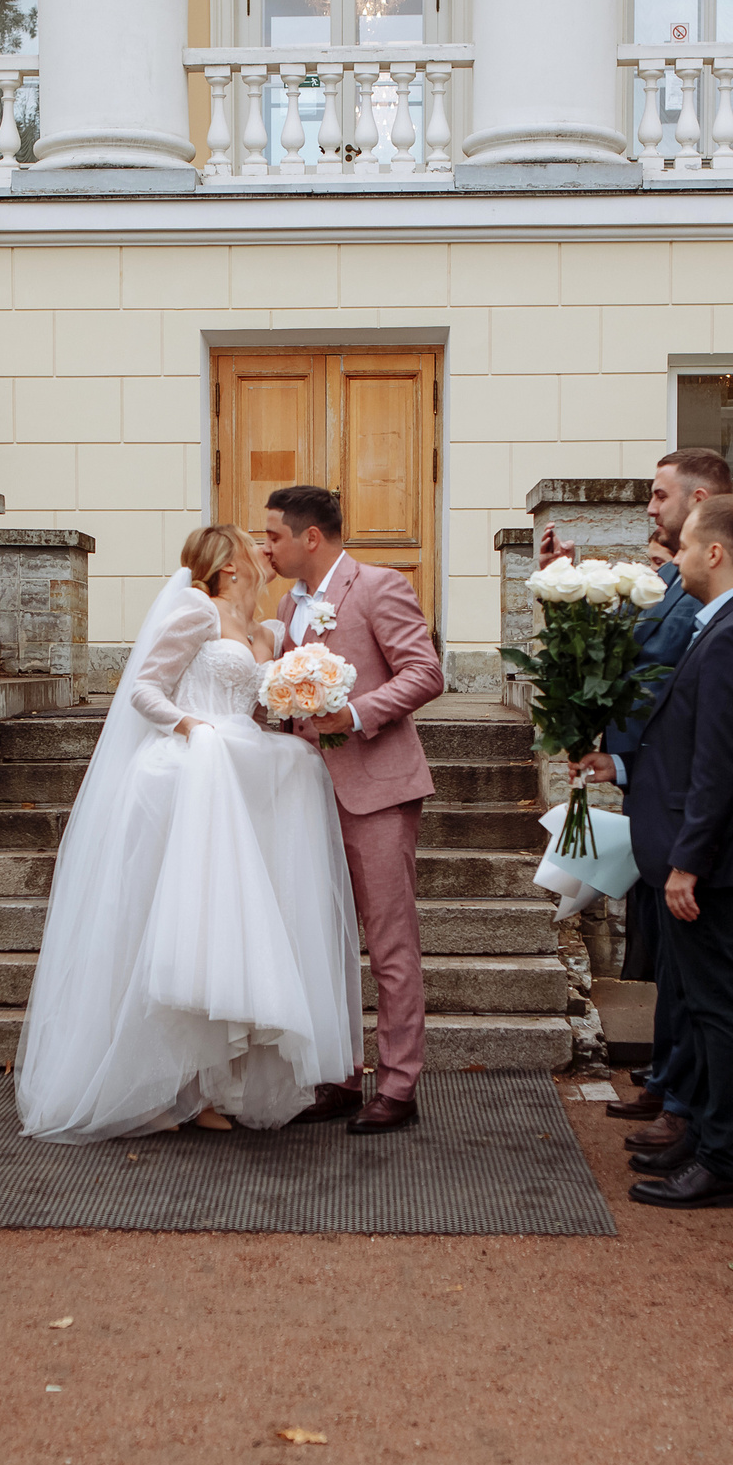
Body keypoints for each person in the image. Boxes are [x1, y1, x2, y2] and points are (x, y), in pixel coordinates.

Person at [14, 525, 363, 1141]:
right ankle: (146, 1088)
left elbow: (263, 709)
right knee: (168, 929)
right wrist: (192, 729)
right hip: (184, 778)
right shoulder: (195, 613)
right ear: (227, 565)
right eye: (254, 544)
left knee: (223, 936)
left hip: (241, 783)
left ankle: (207, 1086)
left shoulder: (270, 632)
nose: (266, 550)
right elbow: (143, 690)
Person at [575, 494, 733, 1209]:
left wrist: (689, 860)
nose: (675, 559)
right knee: (695, 998)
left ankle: (722, 1158)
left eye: (686, 547)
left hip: (704, 859)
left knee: (717, 1009)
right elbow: (682, 742)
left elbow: (719, 763)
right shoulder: (716, 626)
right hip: (685, 845)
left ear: (715, 553)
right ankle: (703, 1136)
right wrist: (620, 768)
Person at [546, 449, 733, 1142]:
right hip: (651, 794)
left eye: (661, 496)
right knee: (665, 958)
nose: (650, 509)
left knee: (698, 978)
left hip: (681, 803)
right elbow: (625, 654)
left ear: (700, 504)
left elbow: (694, 723)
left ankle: (694, 1113)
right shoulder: (671, 584)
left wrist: (626, 764)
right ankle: (670, 1082)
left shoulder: (717, 610)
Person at [262, 485, 450, 1135]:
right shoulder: (288, 603)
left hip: (377, 788)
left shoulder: (378, 586)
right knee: (329, 937)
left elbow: (425, 671)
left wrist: (356, 713)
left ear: (311, 536)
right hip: (309, 792)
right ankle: (339, 1073)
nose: (266, 548)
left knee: (390, 942)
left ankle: (398, 1085)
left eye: (273, 536)